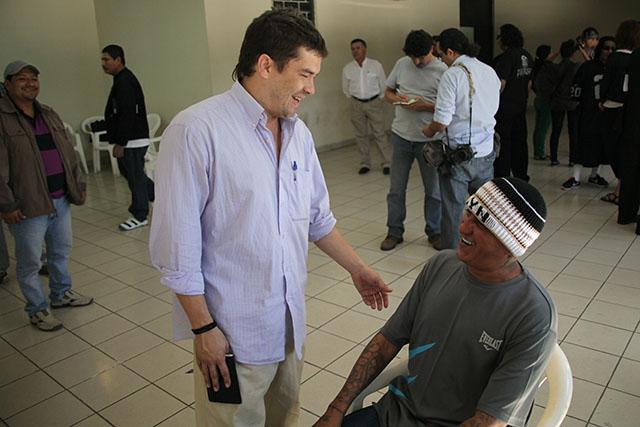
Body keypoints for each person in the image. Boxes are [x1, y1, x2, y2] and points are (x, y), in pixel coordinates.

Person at [148, 10, 391, 427]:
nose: (312, 88)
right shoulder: (197, 131)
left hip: (288, 327)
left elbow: (317, 218)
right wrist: (203, 331)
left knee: (284, 419)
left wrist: (359, 269)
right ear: (265, 65)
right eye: (305, 74)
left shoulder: (298, 134)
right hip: (230, 338)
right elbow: (177, 249)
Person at [315, 177, 556, 427]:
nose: (463, 228)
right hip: (396, 412)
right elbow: (387, 342)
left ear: (512, 246)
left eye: (483, 224)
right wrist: (335, 409)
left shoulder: (533, 314)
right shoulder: (441, 265)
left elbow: (488, 422)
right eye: (468, 212)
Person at [0, 61, 93, 331]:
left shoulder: (48, 113)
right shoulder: (3, 119)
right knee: (30, 262)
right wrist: (6, 204)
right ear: (7, 83)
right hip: (27, 205)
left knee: (60, 251)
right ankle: (37, 309)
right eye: (22, 79)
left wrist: (79, 184)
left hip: (59, 198)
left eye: (34, 78)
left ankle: (61, 294)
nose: (30, 83)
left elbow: (68, 152)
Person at [423, 28, 501, 251]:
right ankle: (486, 250)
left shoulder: (453, 74)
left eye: (440, 55)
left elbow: (442, 121)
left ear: (450, 51)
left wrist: (428, 131)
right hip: (486, 151)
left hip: (458, 156)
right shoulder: (488, 70)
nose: (440, 60)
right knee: (485, 208)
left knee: (453, 210)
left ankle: (452, 257)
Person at [380, 30, 446, 251]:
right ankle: (394, 231)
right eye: (412, 57)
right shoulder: (401, 64)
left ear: (432, 49)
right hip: (401, 137)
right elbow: (387, 92)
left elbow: (450, 108)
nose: (416, 62)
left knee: (434, 191)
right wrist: (397, 99)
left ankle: (434, 232)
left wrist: (424, 105)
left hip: (430, 140)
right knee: (396, 189)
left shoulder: (443, 70)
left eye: (421, 57)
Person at [101, 44, 155, 231]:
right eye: (102, 60)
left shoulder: (125, 81)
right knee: (134, 174)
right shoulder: (120, 79)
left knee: (134, 176)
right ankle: (159, 197)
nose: (103, 63)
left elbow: (127, 114)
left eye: (107, 59)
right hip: (130, 139)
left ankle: (140, 215)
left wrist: (121, 143)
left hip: (132, 140)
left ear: (118, 59)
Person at [561, 36, 616, 190]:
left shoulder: (614, 69)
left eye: (612, 48)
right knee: (582, 143)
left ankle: (594, 175)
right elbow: (576, 87)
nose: (609, 51)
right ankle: (576, 177)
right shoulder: (588, 67)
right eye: (606, 48)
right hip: (587, 112)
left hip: (606, 114)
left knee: (601, 145)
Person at [599, 20, 640, 206]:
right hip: (630, 109)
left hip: (613, 107)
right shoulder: (635, 57)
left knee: (614, 149)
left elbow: (607, 83)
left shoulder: (617, 57)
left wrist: (601, 100)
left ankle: (621, 188)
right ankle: (621, 188)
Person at [342, 38, 390, 175]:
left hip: (374, 102)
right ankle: (365, 163)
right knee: (360, 135)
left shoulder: (376, 65)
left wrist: (379, 100)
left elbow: (383, 85)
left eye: (358, 48)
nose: (355, 51)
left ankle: (387, 162)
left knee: (380, 133)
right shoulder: (348, 68)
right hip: (356, 104)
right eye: (353, 49)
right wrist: (354, 100)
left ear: (365, 49)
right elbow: (345, 89)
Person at [492, 24, 533, 181]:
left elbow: (501, 84)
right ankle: (521, 175)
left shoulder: (505, 58)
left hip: (504, 109)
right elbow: (529, 84)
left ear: (504, 39)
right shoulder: (527, 56)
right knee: (520, 142)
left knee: (504, 143)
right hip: (520, 107)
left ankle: (503, 176)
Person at [618, 35, 640, 229]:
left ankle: (626, 213)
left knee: (631, 167)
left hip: (633, 118)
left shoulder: (635, 56)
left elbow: (626, 88)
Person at [548, 39, 580, 166]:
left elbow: (546, 64)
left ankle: (554, 158)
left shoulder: (555, 67)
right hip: (572, 102)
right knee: (573, 131)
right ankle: (573, 159)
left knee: (556, 130)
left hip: (557, 101)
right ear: (573, 53)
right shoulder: (576, 67)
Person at [531, 44, 554, 160]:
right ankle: (539, 153)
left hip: (539, 99)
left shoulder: (537, 66)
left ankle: (538, 151)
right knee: (543, 128)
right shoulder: (547, 68)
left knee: (539, 127)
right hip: (546, 101)